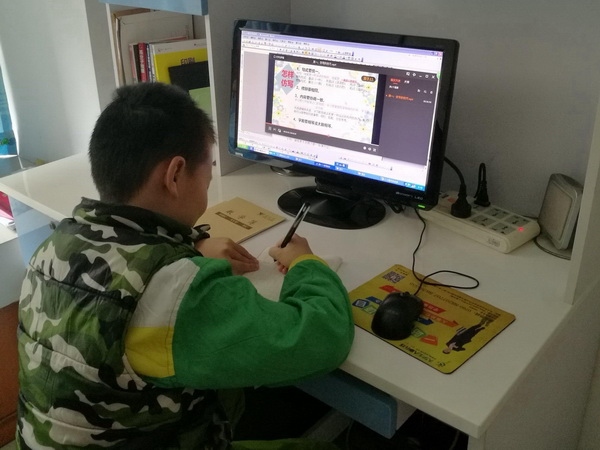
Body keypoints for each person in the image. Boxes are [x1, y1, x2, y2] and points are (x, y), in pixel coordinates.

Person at [16, 82, 354, 449]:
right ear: (175, 174)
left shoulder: (53, 246)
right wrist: (306, 263)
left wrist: (186, 247)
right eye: (208, 173)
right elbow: (321, 339)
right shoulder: (175, 290)